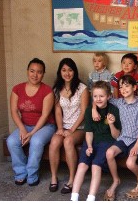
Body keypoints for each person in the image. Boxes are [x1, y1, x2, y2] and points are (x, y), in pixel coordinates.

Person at [92, 75, 138, 200]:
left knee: (130, 163)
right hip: (123, 139)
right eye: (121, 87)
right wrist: (93, 109)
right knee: (109, 153)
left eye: (127, 86)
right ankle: (116, 181)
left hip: (137, 140)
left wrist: (136, 145)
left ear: (135, 87)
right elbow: (100, 98)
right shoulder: (119, 102)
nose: (123, 89)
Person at [6, 58, 56, 186]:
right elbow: (13, 111)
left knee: (36, 141)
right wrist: (23, 129)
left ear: (43, 74)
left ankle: (32, 176)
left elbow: (45, 116)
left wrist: (32, 133)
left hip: (45, 126)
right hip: (25, 125)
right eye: (32, 71)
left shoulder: (47, 91)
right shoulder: (17, 89)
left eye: (39, 72)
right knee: (11, 141)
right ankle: (21, 172)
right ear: (27, 71)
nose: (35, 75)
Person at [70, 81, 121, 201]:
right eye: (95, 96)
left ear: (108, 96)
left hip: (106, 142)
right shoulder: (89, 111)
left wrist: (112, 124)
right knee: (82, 165)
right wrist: (88, 146)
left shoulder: (113, 110)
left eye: (102, 96)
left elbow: (115, 136)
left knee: (95, 165)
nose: (98, 99)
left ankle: (91, 198)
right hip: (91, 141)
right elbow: (89, 132)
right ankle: (74, 197)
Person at [48, 58, 89, 194]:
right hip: (64, 126)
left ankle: (72, 179)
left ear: (74, 71)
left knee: (68, 141)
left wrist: (71, 130)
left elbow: (84, 112)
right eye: (64, 70)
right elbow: (58, 110)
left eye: (70, 70)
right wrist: (60, 128)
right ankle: (54, 177)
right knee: (54, 142)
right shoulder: (57, 89)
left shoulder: (82, 88)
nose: (67, 73)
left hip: (80, 127)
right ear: (60, 72)